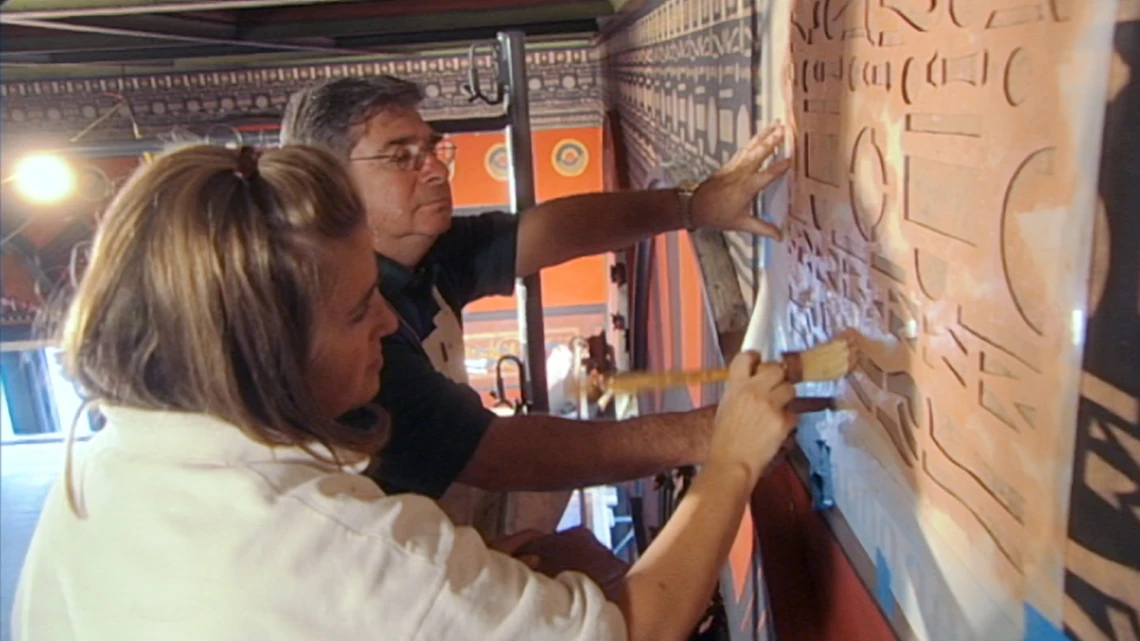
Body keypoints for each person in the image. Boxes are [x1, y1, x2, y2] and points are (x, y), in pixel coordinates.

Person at [13, 144, 798, 641]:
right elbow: (640, 627)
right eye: (359, 311)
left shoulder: (111, 456)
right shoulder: (333, 544)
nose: (386, 319)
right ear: (266, 352)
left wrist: (691, 205)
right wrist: (726, 456)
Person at [281, 76, 793, 538]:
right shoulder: (343, 330)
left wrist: (694, 205)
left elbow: (544, 232)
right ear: (330, 184)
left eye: (433, 149)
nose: (435, 170)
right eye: (401, 157)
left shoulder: (420, 252)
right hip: (409, 557)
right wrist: (712, 433)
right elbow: (497, 457)